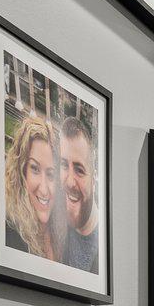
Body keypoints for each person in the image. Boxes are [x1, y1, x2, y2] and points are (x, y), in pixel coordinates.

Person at [2, 114, 57, 261]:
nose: (44, 189)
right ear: (22, 171)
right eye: (35, 169)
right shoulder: (8, 233)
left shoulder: (63, 234)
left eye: (51, 174)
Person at [53, 116, 100, 273]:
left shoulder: (103, 247)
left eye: (79, 170)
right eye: (64, 165)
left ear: (93, 179)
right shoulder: (51, 214)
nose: (70, 182)